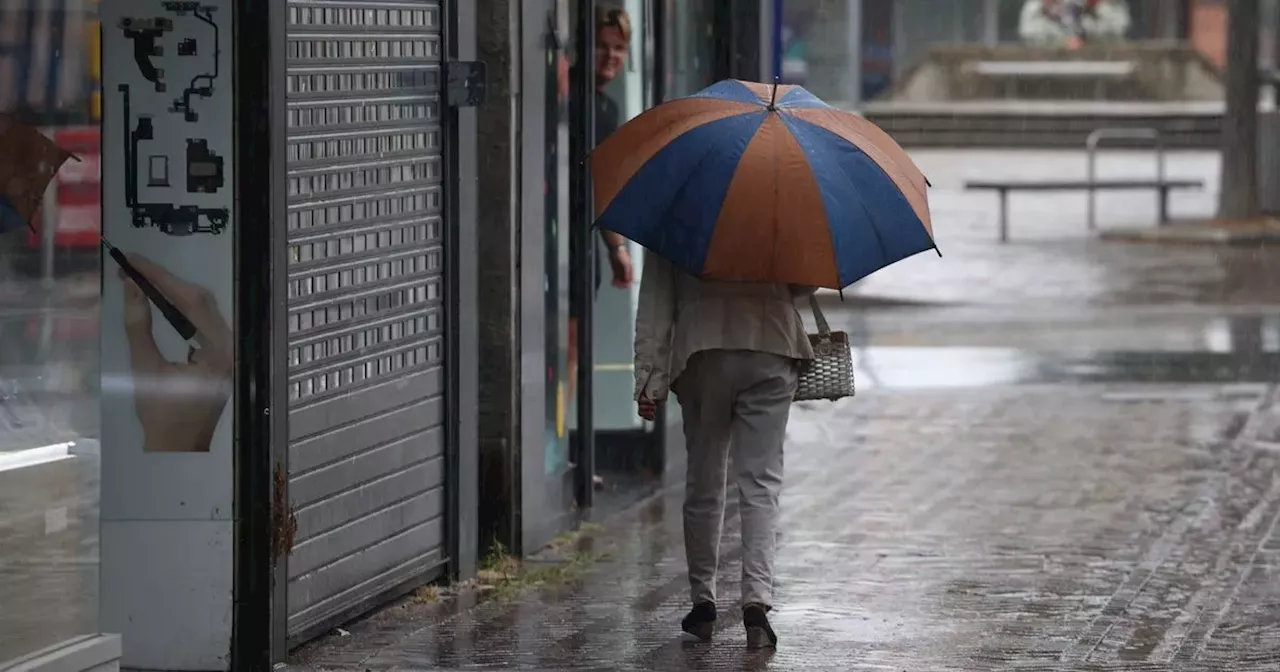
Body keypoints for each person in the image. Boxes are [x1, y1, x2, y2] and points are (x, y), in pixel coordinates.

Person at [634, 253, 816, 649]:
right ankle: (756, 601)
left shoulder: (674, 202)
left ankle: (703, 601)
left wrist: (649, 376)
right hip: (772, 342)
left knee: (704, 479)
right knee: (761, 483)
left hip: (703, 349)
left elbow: (656, 298)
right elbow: (803, 283)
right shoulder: (780, 197)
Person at [566, 5, 635, 489]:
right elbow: (597, 185)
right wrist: (617, 246)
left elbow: (598, 185)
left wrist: (614, 246)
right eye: (603, 45)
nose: (610, 56)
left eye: (618, 48)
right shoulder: (580, 102)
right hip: (565, 245)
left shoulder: (601, 107)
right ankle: (564, 453)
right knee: (563, 350)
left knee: (569, 350)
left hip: (576, 245)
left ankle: (566, 450)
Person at [1018, 0, 1131, 49]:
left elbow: (1118, 27)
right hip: (1050, 70)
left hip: (1103, 68)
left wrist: (1095, 11)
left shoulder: (1104, 3)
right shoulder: (1042, 3)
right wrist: (1062, 40)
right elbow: (1028, 30)